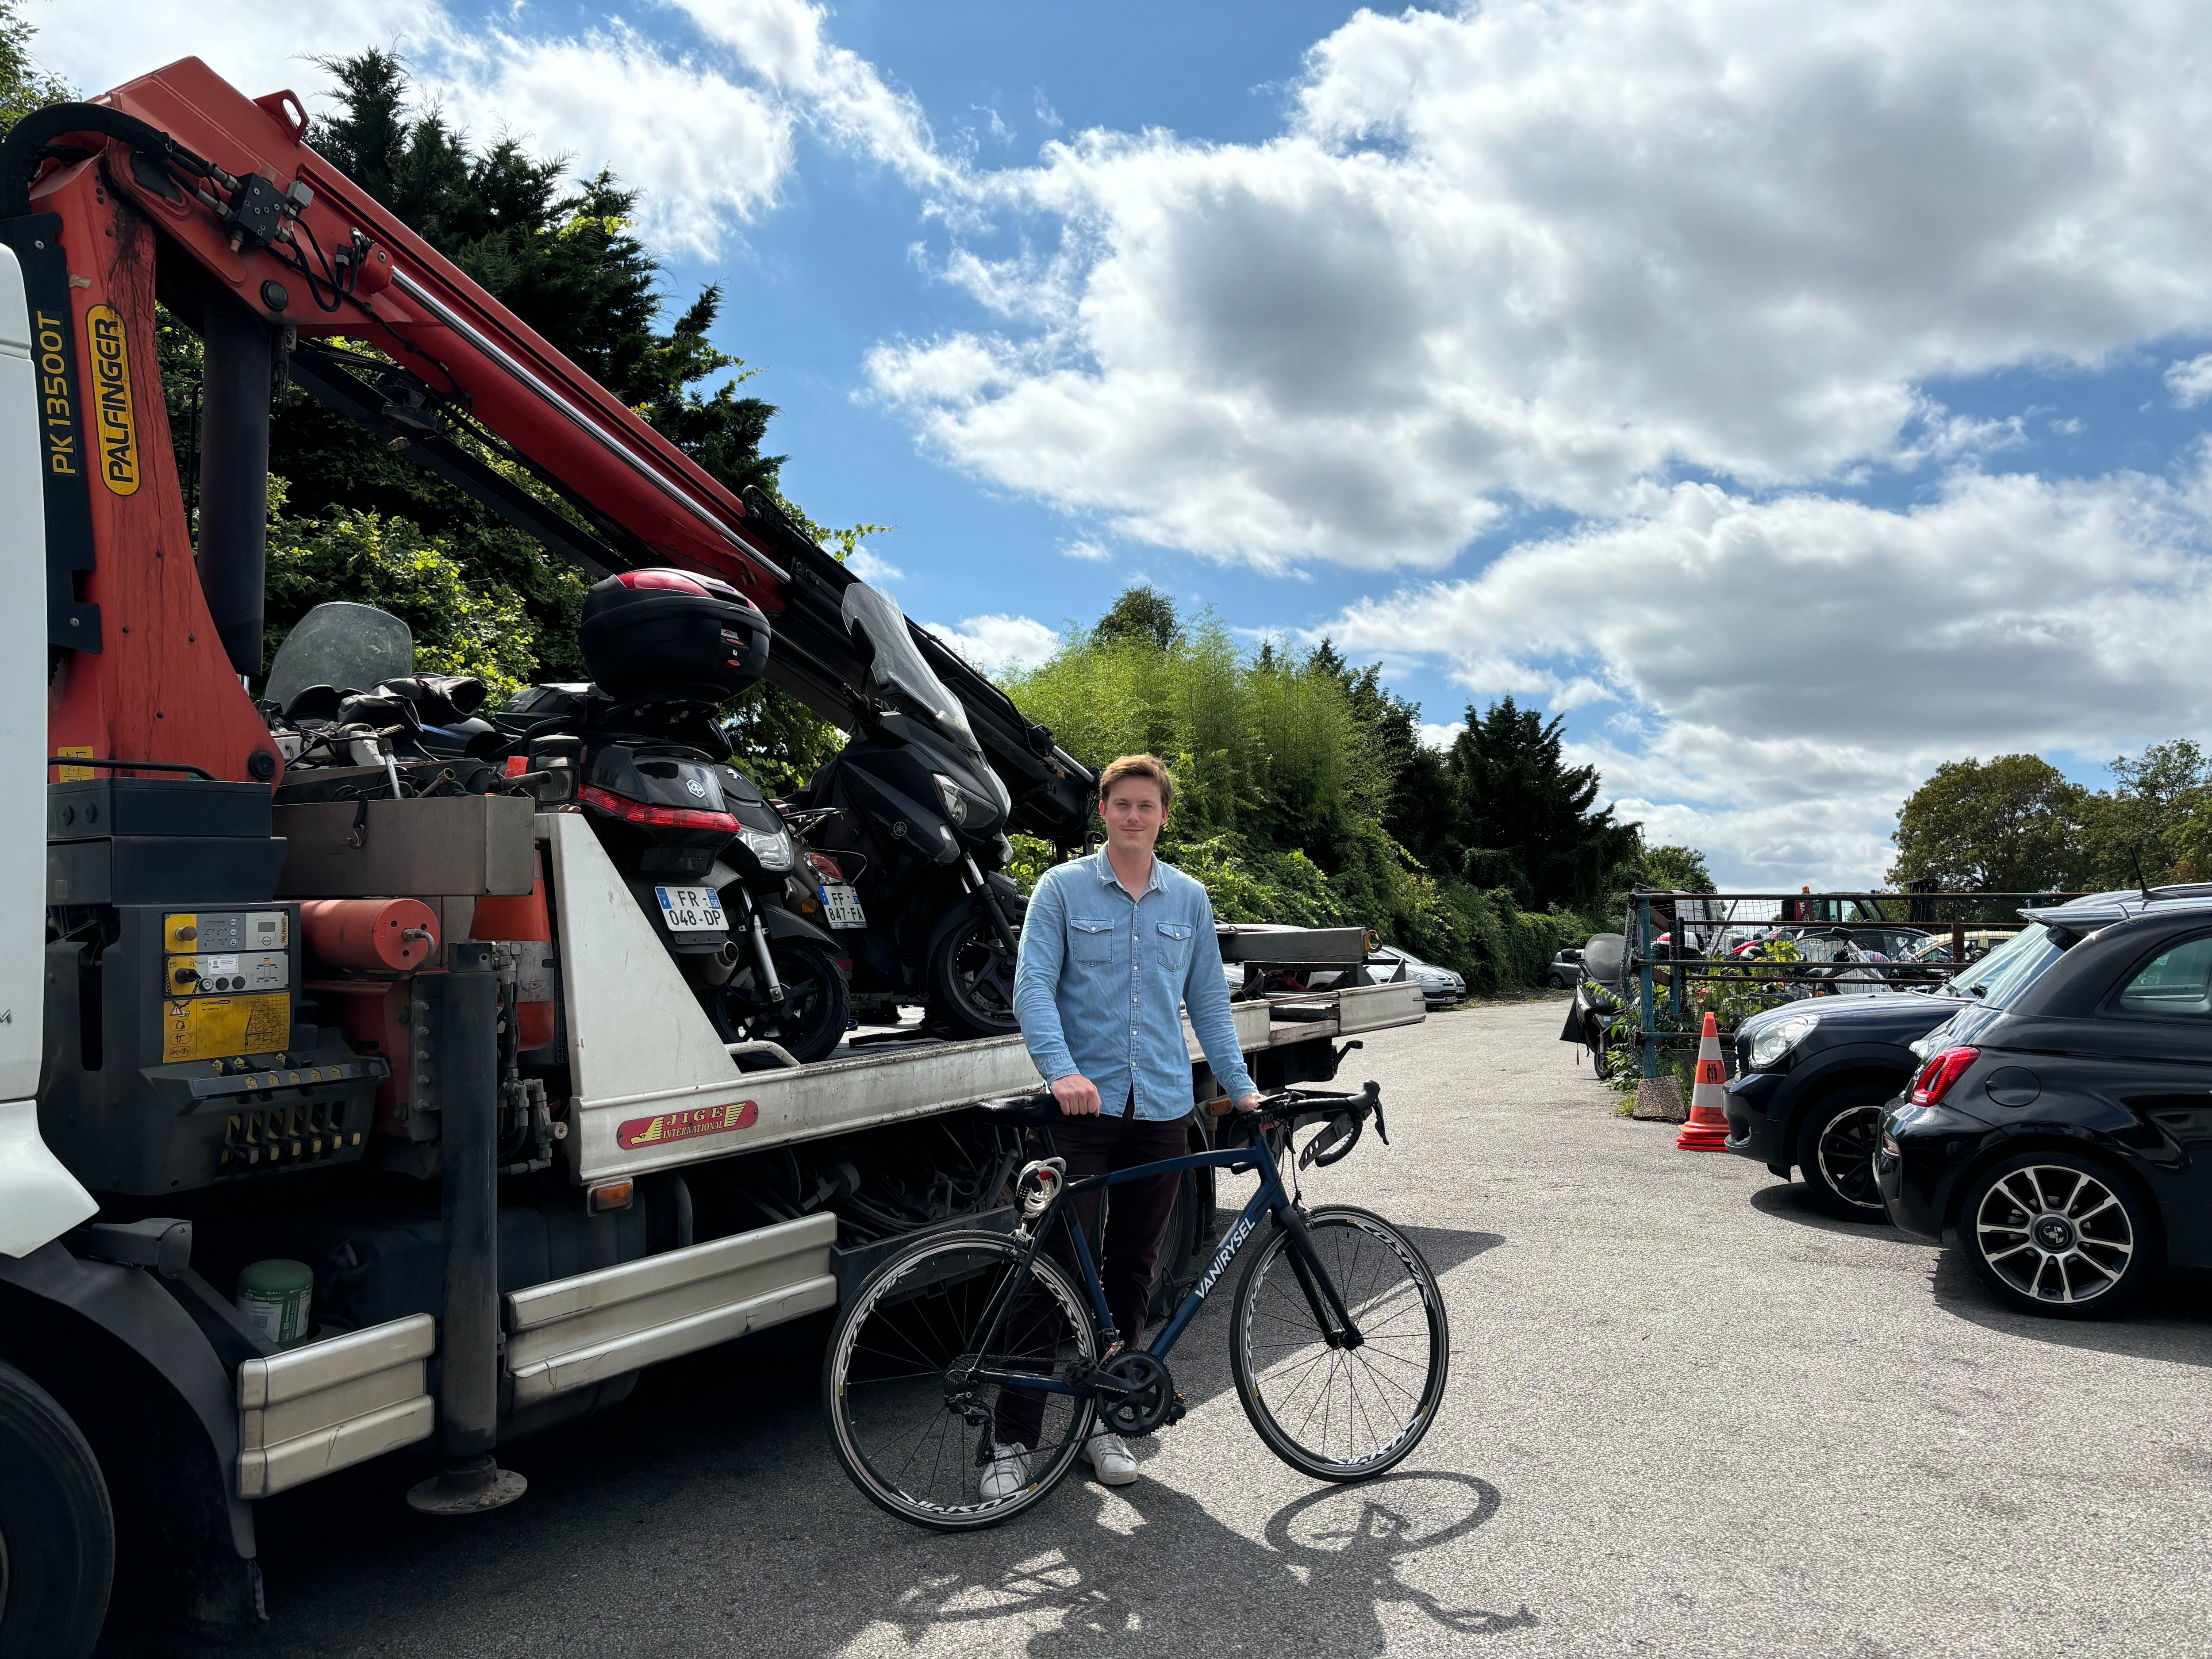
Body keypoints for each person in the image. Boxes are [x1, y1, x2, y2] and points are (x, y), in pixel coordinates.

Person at [985, 753, 1261, 1498]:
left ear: (1164, 816)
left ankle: (1105, 1419)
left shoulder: (1190, 901)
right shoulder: (1063, 889)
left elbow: (1208, 1003)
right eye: (1121, 804)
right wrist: (1062, 1070)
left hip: (1164, 1110)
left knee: (1132, 1272)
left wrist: (1241, 1090)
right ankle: (1011, 1441)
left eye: (1147, 806)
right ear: (1102, 810)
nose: (1134, 816)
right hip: (1080, 1114)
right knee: (1051, 1278)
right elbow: (1032, 987)